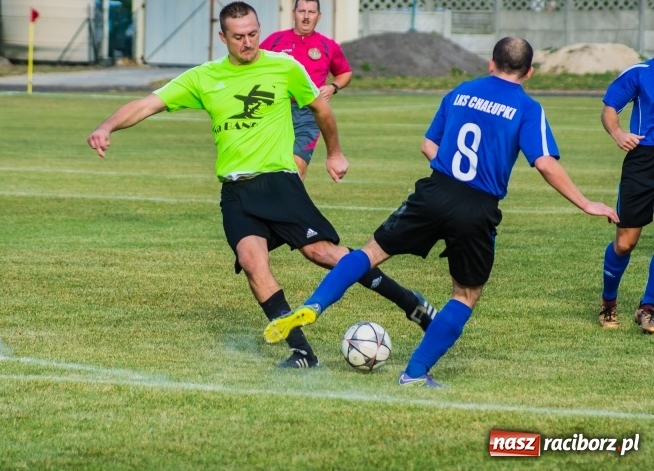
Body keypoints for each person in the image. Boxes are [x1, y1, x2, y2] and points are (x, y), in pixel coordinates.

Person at [87, 1, 437, 369]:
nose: (248, 42)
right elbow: (145, 104)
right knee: (252, 262)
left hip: (279, 183)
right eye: (238, 36)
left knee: (322, 254)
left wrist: (334, 153)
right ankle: (302, 352)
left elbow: (321, 109)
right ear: (223, 37)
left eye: (253, 33)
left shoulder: (285, 67)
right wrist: (106, 126)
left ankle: (410, 303)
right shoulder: (203, 77)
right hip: (235, 192)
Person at [263, 37, 619, 385]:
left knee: (369, 253)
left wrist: (448, 171)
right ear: (529, 73)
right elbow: (543, 162)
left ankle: (314, 305)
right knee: (465, 294)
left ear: (491, 64)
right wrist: (586, 202)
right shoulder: (528, 108)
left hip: (435, 189)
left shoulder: (460, 91)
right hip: (477, 205)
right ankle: (414, 373)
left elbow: (428, 145)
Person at [260, 0, 352, 180]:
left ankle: (289, 207)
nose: (306, 16)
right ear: (293, 13)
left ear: (319, 16)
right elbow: (254, 68)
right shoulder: (275, 41)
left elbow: (345, 73)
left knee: (297, 166)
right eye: (302, 11)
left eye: (311, 12)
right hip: (277, 110)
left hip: (309, 112)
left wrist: (333, 87)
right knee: (270, 167)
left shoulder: (328, 46)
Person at [597, 59, 654, 333]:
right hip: (643, 160)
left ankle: (648, 307)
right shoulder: (640, 73)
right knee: (625, 243)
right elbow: (609, 108)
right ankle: (608, 302)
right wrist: (618, 133)